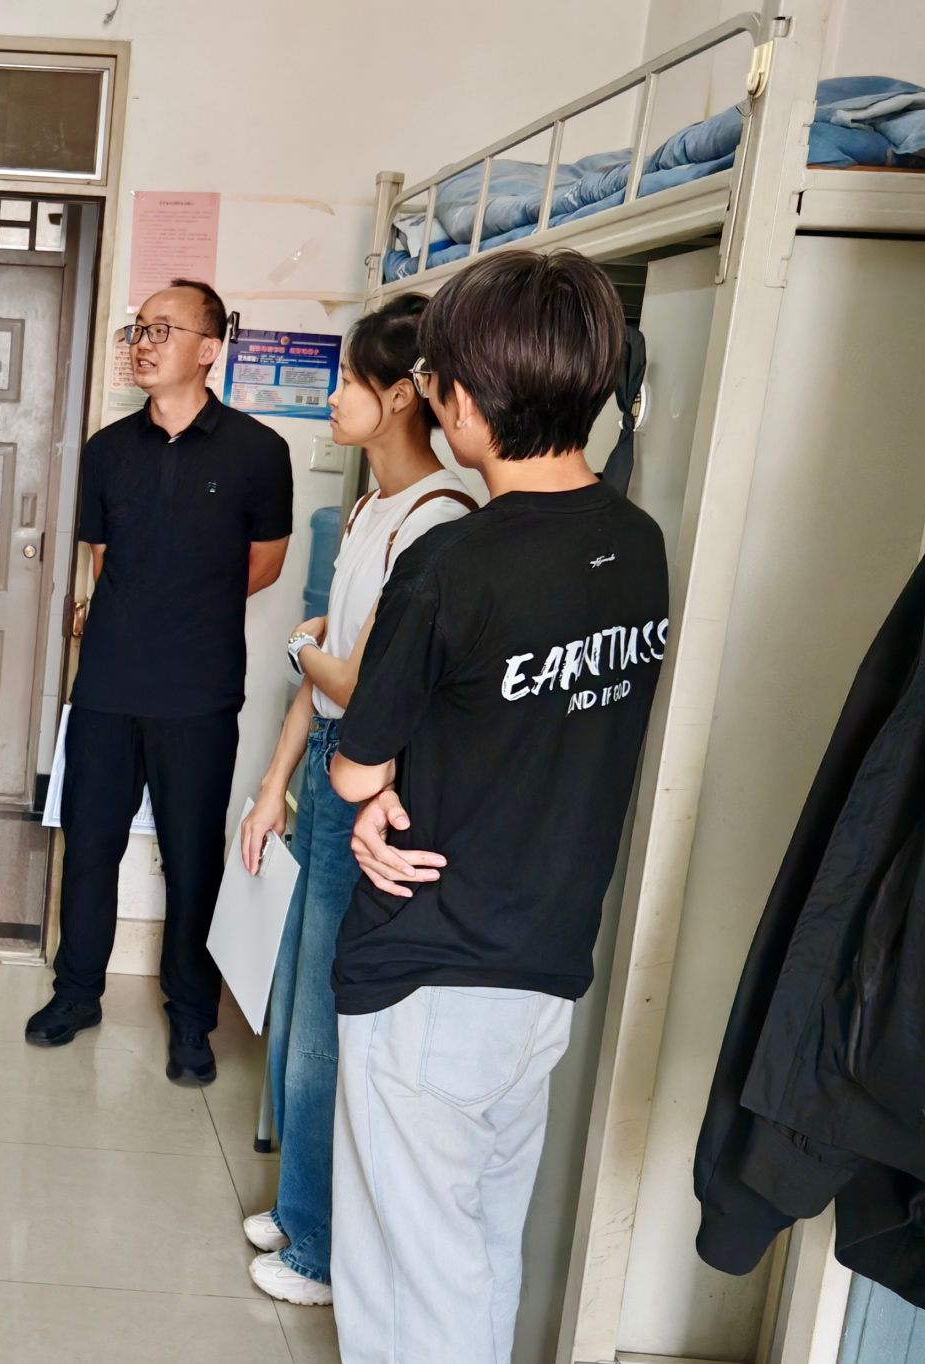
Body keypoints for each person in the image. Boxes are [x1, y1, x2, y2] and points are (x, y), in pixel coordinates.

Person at [326, 248, 669, 1364]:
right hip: (544, 965)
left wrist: (374, 795)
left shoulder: (452, 562)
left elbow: (354, 768)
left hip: (431, 963)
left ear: (466, 400)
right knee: (480, 1244)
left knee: (413, 1276)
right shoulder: (636, 544)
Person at [235, 295, 476, 1308]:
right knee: (297, 1001)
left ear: (401, 396)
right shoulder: (372, 507)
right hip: (330, 766)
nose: (332, 398)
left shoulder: (437, 519)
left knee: (327, 1023)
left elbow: (358, 680)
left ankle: (319, 1251)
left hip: (373, 777)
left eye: (348, 382)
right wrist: (271, 786)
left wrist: (309, 651)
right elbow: (323, 672)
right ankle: (299, 1206)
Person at [25, 278, 293, 1085]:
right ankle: (78, 992)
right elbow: (105, 561)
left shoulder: (258, 451)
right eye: (137, 330)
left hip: (199, 690)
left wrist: (187, 605)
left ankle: (190, 1018)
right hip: (107, 684)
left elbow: (265, 564)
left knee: (191, 857)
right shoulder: (109, 450)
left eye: (161, 330)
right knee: (90, 846)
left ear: (209, 349)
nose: (142, 344)